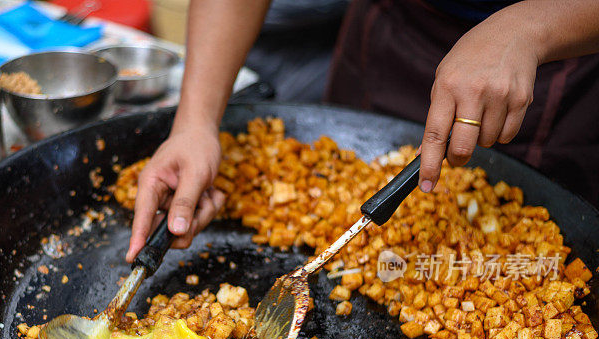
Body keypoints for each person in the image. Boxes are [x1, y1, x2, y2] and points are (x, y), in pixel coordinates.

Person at [125, 0, 599, 263]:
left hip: (562, 57)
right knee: (357, 160)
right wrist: (196, 121)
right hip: (393, 25)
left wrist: (527, 28)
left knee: (544, 244)